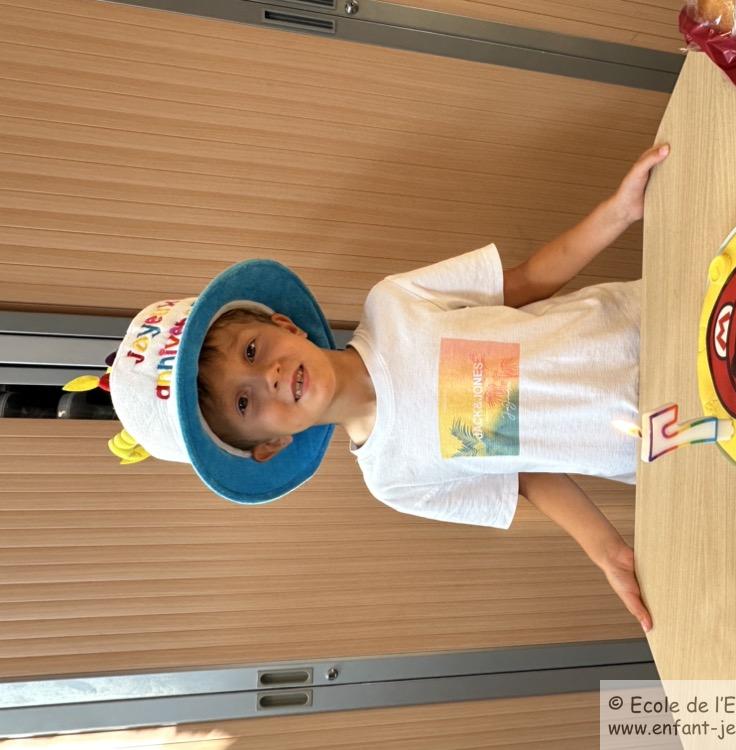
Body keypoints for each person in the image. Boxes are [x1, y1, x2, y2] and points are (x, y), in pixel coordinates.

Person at [92, 143, 671, 634]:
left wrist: (616, 213)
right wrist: (606, 551)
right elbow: (524, 474)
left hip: (654, 319)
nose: (267, 377)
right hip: (655, 441)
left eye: (251, 351)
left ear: (284, 325)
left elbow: (526, 281)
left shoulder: (393, 302)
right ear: (269, 445)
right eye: (245, 403)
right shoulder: (393, 479)